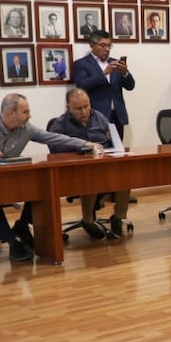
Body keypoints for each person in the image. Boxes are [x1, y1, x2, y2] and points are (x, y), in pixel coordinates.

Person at [0, 93, 98, 263]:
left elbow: (51, 137)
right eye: (25, 112)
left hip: (8, 177)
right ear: (11, 113)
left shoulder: (25, 128)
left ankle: (22, 225)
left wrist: (84, 144)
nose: (29, 116)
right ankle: (13, 243)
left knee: (40, 187)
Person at [48, 88, 131, 239]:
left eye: (86, 106)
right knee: (90, 177)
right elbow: (55, 149)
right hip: (75, 172)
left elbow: (112, 141)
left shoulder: (100, 117)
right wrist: (82, 149)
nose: (84, 111)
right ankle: (88, 220)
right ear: (68, 108)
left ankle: (118, 218)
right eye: (78, 108)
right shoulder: (60, 124)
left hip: (103, 165)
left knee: (125, 176)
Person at [73, 30, 135, 139]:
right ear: (92, 45)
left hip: (117, 116)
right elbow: (81, 85)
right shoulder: (82, 64)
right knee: (98, 151)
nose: (106, 49)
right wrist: (104, 73)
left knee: (119, 152)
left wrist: (125, 73)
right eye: (102, 45)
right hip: (95, 117)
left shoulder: (115, 63)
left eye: (109, 46)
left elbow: (130, 86)